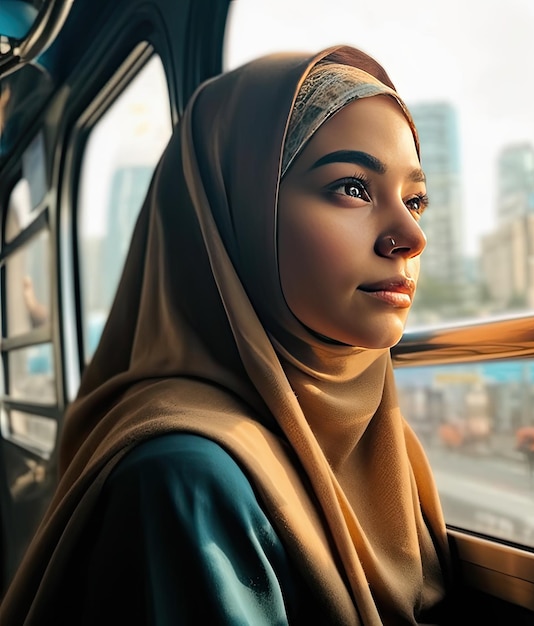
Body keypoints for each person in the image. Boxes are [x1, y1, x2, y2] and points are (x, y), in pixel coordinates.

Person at [0, 45, 455, 625]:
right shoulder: (185, 479)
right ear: (233, 214)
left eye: (415, 200)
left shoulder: (383, 444)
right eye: (352, 188)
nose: (409, 236)